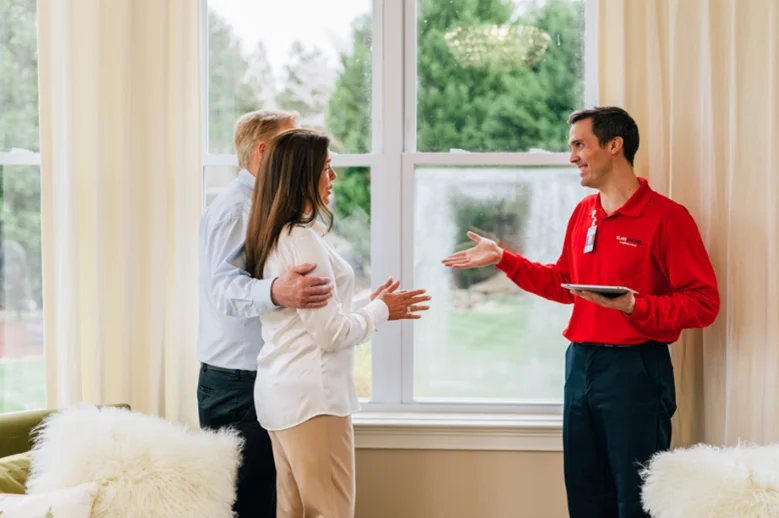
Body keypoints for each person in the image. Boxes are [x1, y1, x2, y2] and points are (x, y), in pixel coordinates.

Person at [442, 106, 719, 518]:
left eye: (579, 145)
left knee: (637, 499)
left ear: (614, 145)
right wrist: (503, 258)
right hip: (580, 365)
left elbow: (703, 303)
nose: (572, 156)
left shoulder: (667, 218)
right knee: (586, 495)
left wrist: (634, 304)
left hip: (636, 369)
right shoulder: (584, 214)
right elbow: (563, 283)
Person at [244, 128, 431, 518]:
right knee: (330, 511)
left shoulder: (274, 235)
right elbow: (331, 334)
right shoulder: (302, 238)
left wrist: (371, 302)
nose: (333, 178)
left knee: (293, 511)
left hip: (283, 396)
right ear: (302, 175)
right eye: (326, 168)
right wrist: (382, 311)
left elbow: (311, 316)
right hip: (315, 400)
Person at [197, 109, 335, 518]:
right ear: (263, 151)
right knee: (253, 505)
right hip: (238, 384)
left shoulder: (268, 207)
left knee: (276, 503)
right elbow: (222, 289)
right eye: (288, 142)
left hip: (260, 379)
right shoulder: (238, 210)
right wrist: (278, 290)